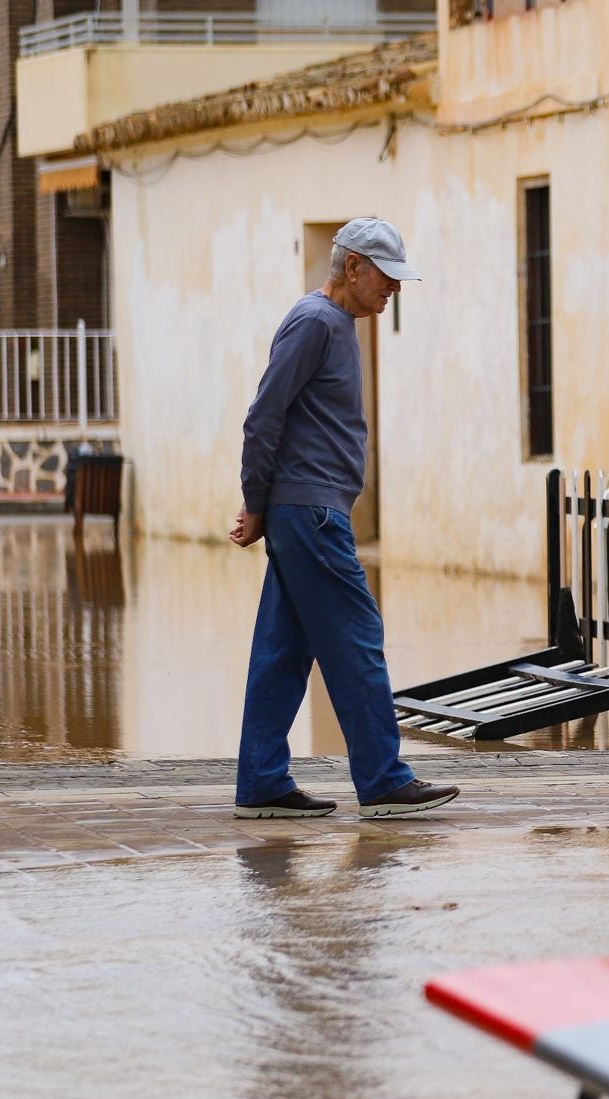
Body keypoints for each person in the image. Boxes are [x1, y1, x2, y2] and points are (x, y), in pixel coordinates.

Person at [229, 217, 457, 820]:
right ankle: (383, 780)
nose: (395, 289)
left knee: (282, 649)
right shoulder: (315, 323)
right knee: (358, 640)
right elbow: (263, 417)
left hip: (308, 512)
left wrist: (266, 507)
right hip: (311, 516)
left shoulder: (335, 324)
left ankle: (261, 784)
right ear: (353, 266)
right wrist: (256, 504)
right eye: (387, 276)